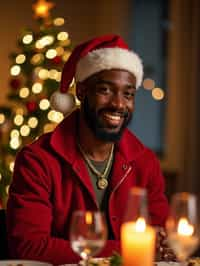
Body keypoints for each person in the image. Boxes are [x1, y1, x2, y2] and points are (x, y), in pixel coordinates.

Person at [6, 34, 172, 265]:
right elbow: (30, 246)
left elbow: (162, 242)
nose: (118, 104)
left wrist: (163, 245)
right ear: (81, 91)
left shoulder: (145, 163)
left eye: (128, 94)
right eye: (105, 90)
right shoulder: (37, 160)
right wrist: (130, 249)